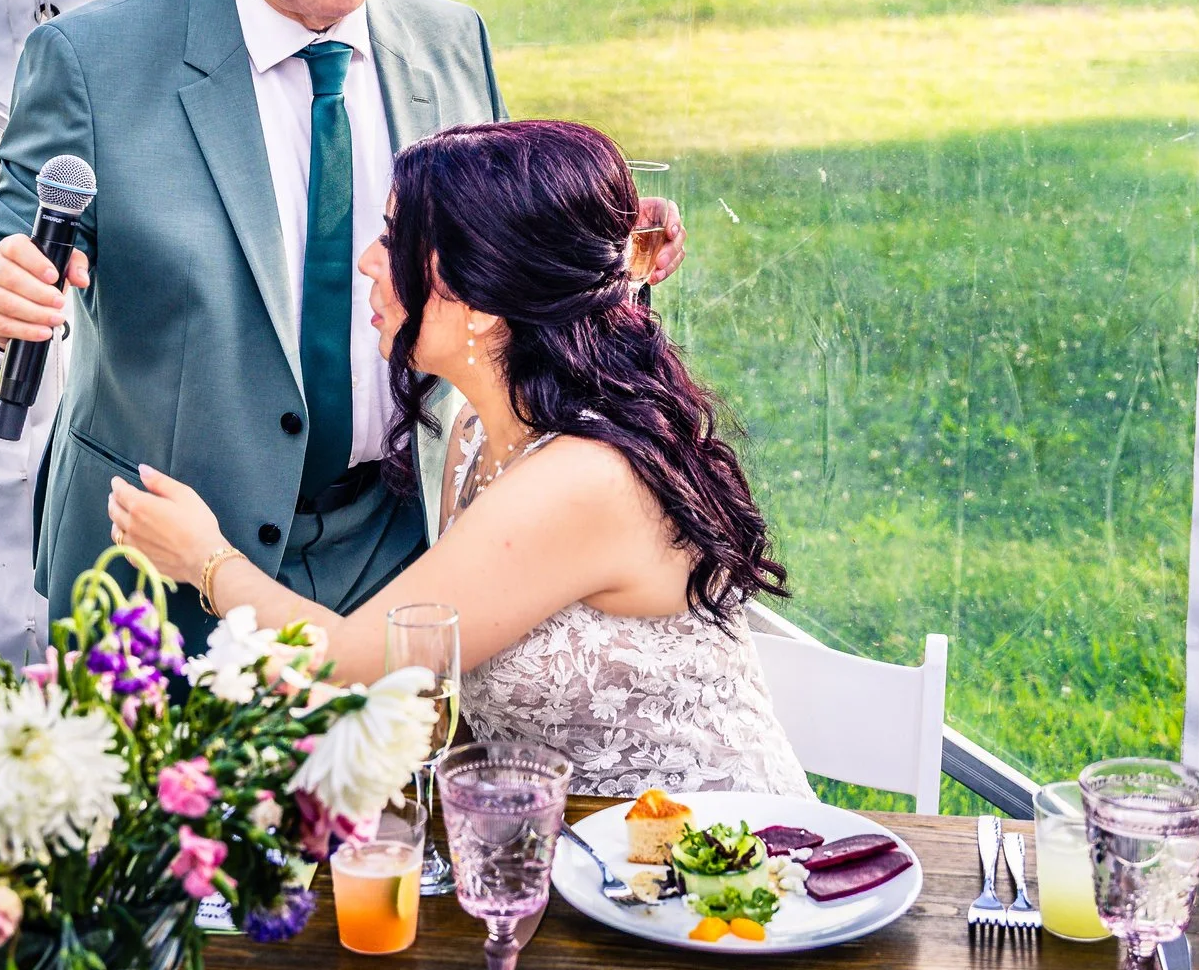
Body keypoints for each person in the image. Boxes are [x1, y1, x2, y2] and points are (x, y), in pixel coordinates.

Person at [0, 0, 685, 645]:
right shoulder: (93, 61)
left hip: (406, 549)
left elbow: (492, 266)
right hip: (155, 570)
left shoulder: (452, 43)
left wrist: (596, 253)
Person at [108, 120, 809, 798]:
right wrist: (599, 253)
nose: (366, 262)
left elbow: (359, 660)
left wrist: (203, 558)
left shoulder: (585, 478)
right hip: (574, 864)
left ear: (479, 300)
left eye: (394, 237)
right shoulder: (472, 428)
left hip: (726, 873)